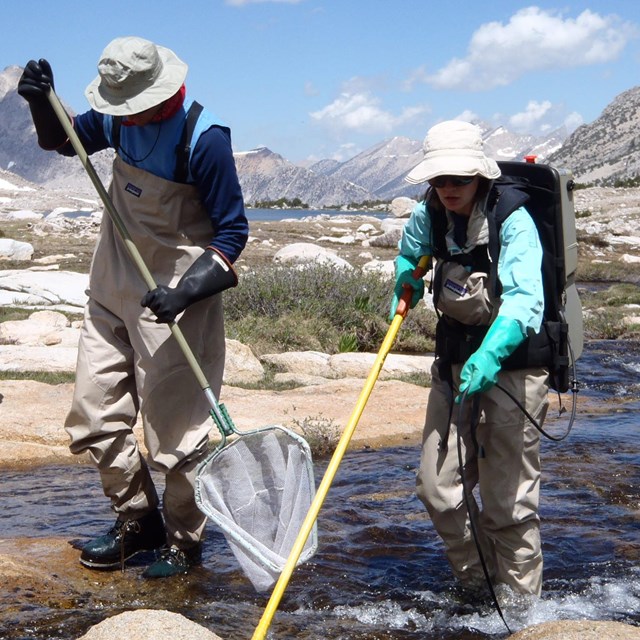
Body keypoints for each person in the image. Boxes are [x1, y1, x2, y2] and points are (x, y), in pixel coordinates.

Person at [18, 36, 248, 578]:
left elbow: (234, 232)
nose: (125, 116)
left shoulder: (203, 138)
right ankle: (138, 520)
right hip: (111, 286)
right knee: (94, 414)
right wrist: (39, 102)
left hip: (175, 303)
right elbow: (65, 142)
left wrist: (185, 292)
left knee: (176, 438)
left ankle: (185, 543)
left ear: (159, 92)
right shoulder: (121, 121)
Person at [391, 120, 548, 599]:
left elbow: (526, 300)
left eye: (457, 178)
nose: (447, 188)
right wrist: (406, 277)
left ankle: (521, 612)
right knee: (438, 492)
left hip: (512, 370)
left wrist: (490, 354)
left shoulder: (514, 220)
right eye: (438, 179)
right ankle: (481, 594)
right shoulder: (430, 212)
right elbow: (411, 251)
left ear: (479, 175)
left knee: (507, 506)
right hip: (453, 365)